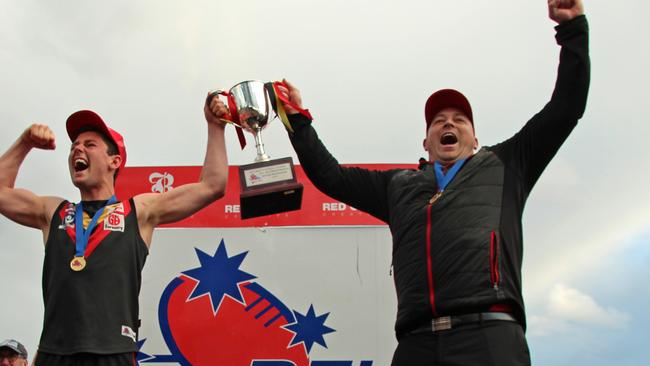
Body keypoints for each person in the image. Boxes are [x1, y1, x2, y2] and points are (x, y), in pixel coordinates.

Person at [277, 0, 589, 365]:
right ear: (426, 142)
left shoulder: (506, 164)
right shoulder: (399, 186)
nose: (448, 124)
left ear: (475, 138)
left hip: (488, 336)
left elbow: (565, 108)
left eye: (460, 119)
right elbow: (331, 176)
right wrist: (298, 121)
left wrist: (572, 29)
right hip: (417, 343)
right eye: (438, 120)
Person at [0, 95, 231, 365]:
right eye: (73, 145)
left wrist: (215, 126)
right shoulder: (53, 211)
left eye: (90, 145)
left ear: (114, 161)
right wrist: (25, 142)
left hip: (113, 354)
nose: (77, 150)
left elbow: (212, 186)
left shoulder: (139, 211)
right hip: (55, 354)